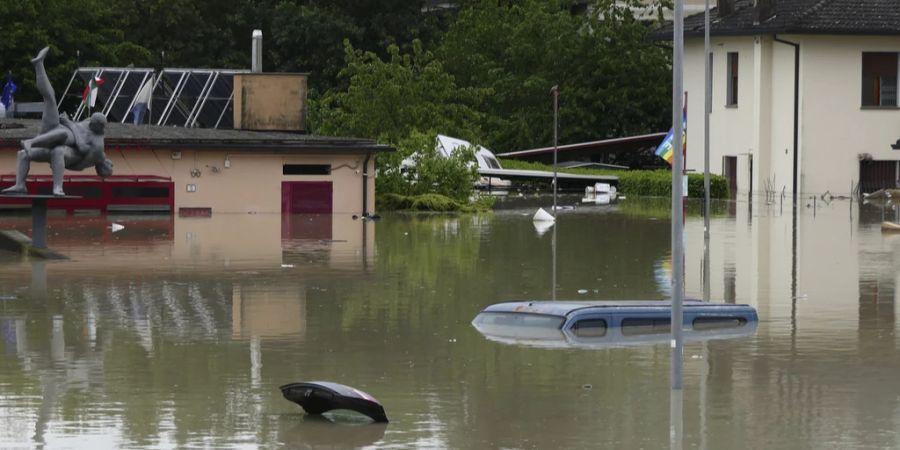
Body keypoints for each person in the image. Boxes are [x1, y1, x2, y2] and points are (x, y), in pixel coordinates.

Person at [2, 47, 113, 196]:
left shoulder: (98, 149)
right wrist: (68, 123)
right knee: (50, 100)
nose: (109, 163)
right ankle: (38, 64)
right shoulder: (91, 124)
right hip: (54, 135)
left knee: (60, 145)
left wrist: (69, 123)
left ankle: (57, 187)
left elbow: (81, 147)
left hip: (65, 150)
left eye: (107, 166)